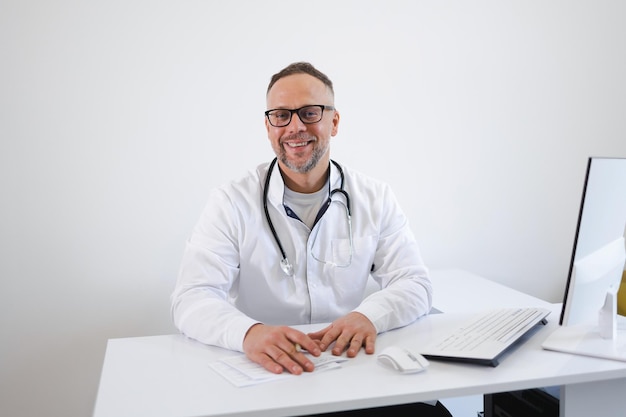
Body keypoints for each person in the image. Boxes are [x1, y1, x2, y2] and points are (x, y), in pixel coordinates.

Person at [171, 62, 451, 416]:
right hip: (271, 379)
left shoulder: (374, 197)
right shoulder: (231, 202)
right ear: (268, 126)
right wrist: (249, 333)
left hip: (351, 370)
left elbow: (414, 283)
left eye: (309, 113)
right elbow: (192, 297)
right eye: (281, 116)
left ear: (333, 122)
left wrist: (369, 316)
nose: (295, 127)